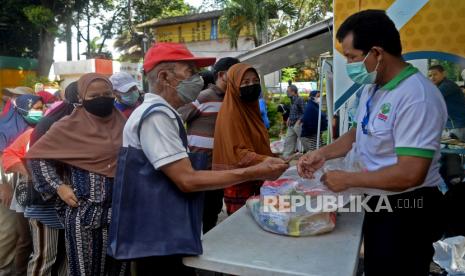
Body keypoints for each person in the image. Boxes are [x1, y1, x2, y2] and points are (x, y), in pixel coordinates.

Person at [298, 10, 446, 275]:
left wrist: (348, 179)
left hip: (407, 209)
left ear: (377, 52)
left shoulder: (417, 97)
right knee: (377, 265)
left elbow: (410, 174)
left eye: (353, 57)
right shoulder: (374, 88)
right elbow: (357, 133)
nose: (350, 65)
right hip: (379, 202)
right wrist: (322, 154)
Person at [120, 43, 287, 274]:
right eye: (190, 72)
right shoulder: (156, 116)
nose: (198, 79)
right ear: (164, 77)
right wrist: (256, 171)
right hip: (158, 235)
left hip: (166, 229)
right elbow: (187, 180)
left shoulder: (165, 113)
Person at [26, 73, 128, 276]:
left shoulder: (123, 123)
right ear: (81, 98)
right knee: (84, 271)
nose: (101, 98)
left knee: (118, 270)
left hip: (118, 214)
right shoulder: (66, 126)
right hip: (84, 215)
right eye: (94, 95)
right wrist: (59, 187)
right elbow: (37, 157)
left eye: (106, 94)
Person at [24, 81, 80, 276]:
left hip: (71, 205)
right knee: (45, 258)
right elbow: (36, 160)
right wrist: (59, 186)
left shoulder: (82, 122)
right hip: (45, 203)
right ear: (77, 101)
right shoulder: (51, 124)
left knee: (67, 257)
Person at [178, 57, 239, 233]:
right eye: (236, 74)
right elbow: (177, 117)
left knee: (212, 212)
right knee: (196, 213)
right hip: (198, 168)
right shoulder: (204, 97)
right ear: (222, 75)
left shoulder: (233, 100)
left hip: (219, 168)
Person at [213, 63, 280, 215]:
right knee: (243, 230)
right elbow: (237, 153)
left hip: (257, 178)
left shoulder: (251, 110)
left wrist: (274, 158)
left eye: (256, 81)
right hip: (240, 184)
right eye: (246, 82)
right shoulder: (232, 114)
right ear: (234, 86)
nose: (252, 85)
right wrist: (267, 161)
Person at [0, 94, 43, 276]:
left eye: (41, 107)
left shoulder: (31, 128)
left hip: (21, 187)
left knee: (21, 235)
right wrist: (3, 185)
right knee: (9, 234)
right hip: (8, 185)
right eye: (35, 107)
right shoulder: (4, 128)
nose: (38, 112)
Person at [429, 64, 465, 141]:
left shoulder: (447, 85)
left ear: (443, 73)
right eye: (430, 75)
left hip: (457, 125)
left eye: (435, 74)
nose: (432, 77)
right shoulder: (441, 85)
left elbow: (430, 98)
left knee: (453, 150)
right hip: (452, 124)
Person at [282, 84, 305, 157]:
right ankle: (285, 161)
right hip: (291, 125)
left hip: (298, 125)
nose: (287, 92)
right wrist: (289, 118)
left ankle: (313, 156)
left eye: (288, 91)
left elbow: (304, 112)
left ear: (293, 92)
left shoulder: (299, 99)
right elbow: (293, 111)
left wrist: (299, 120)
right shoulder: (292, 100)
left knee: (304, 141)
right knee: (288, 142)